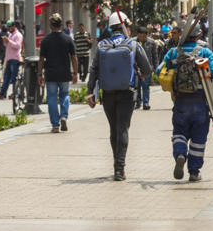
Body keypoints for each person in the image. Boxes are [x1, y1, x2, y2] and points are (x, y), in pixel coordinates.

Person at [86, 12, 151, 180]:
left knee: (113, 129)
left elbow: (93, 70)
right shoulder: (134, 45)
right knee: (123, 128)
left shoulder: (101, 45)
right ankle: (119, 167)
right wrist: (140, 73)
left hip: (107, 94)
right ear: (125, 27)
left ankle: (116, 163)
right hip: (127, 94)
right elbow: (147, 69)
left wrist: (89, 93)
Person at [158, 20, 213, 182]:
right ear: (199, 34)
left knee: (179, 132)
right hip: (200, 101)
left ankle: (180, 154)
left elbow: (159, 70)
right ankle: (194, 171)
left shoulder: (172, 52)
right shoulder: (205, 52)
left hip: (180, 101)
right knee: (198, 138)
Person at [37, 13, 78, 133]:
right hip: (65, 73)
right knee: (65, 94)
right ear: (61, 24)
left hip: (51, 74)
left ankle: (55, 125)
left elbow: (41, 59)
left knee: (52, 98)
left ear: (51, 24)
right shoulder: (68, 39)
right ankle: (64, 116)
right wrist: (75, 73)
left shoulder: (46, 40)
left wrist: (40, 75)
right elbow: (74, 58)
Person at [0, 21, 23, 100]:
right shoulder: (10, 34)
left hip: (15, 59)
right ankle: (2, 93)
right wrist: (5, 41)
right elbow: (7, 45)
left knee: (14, 77)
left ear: (13, 26)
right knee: (6, 77)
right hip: (9, 58)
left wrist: (8, 41)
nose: (8, 29)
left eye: (9, 28)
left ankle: (15, 93)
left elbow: (17, 46)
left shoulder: (18, 35)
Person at [135, 25, 158, 110]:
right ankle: (137, 103)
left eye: (143, 36)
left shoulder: (151, 42)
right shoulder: (133, 42)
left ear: (147, 35)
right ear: (137, 35)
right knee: (136, 86)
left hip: (147, 68)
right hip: (136, 68)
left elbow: (155, 56)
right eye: (140, 36)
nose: (141, 38)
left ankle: (145, 103)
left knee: (145, 86)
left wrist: (156, 67)